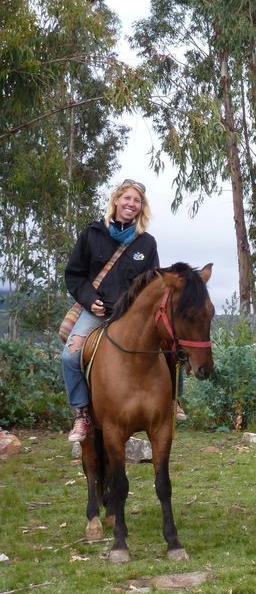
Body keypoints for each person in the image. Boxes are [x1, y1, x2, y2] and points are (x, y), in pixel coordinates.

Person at [62, 179, 160, 441]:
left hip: (130, 315)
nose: (131, 204)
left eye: (137, 201)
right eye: (127, 198)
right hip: (96, 311)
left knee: (167, 344)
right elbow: (74, 275)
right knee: (69, 358)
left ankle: (172, 402)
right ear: (116, 200)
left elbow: (152, 283)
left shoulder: (146, 243)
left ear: (142, 207)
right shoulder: (92, 234)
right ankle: (82, 414)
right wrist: (89, 299)